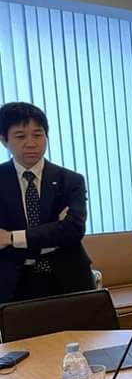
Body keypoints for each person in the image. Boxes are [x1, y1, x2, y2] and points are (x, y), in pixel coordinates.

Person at [0, 102, 94, 304]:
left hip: (68, 278)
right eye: (20, 136)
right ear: (4, 140)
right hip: (12, 282)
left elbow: (73, 229)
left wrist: (12, 237)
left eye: (38, 134)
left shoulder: (71, 180)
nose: (31, 143)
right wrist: (55, 227)